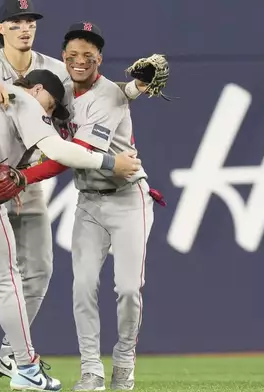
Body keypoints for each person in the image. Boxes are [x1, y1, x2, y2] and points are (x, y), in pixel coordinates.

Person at [0, 0, 148, 378]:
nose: (25, 27)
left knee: (39, 271)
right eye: (16, 21)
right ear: (2, 28)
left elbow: (94, 92)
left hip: (27, 176)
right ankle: (22, 364)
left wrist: (133, 89)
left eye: (30, 21)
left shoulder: (54, 69)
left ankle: (2, 356)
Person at [55, 22, 156, 391]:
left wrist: (135, 87)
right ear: (64, 55)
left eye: (89, 54)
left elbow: (82, 152)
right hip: (88, 203)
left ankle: (125, 361)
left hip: (129, 198)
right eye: (73, 54)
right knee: (82, 287)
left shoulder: (111, 94)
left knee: (129, 289)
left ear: (100, 58)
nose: (80, 60)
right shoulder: (59, 88)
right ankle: (91, 370)